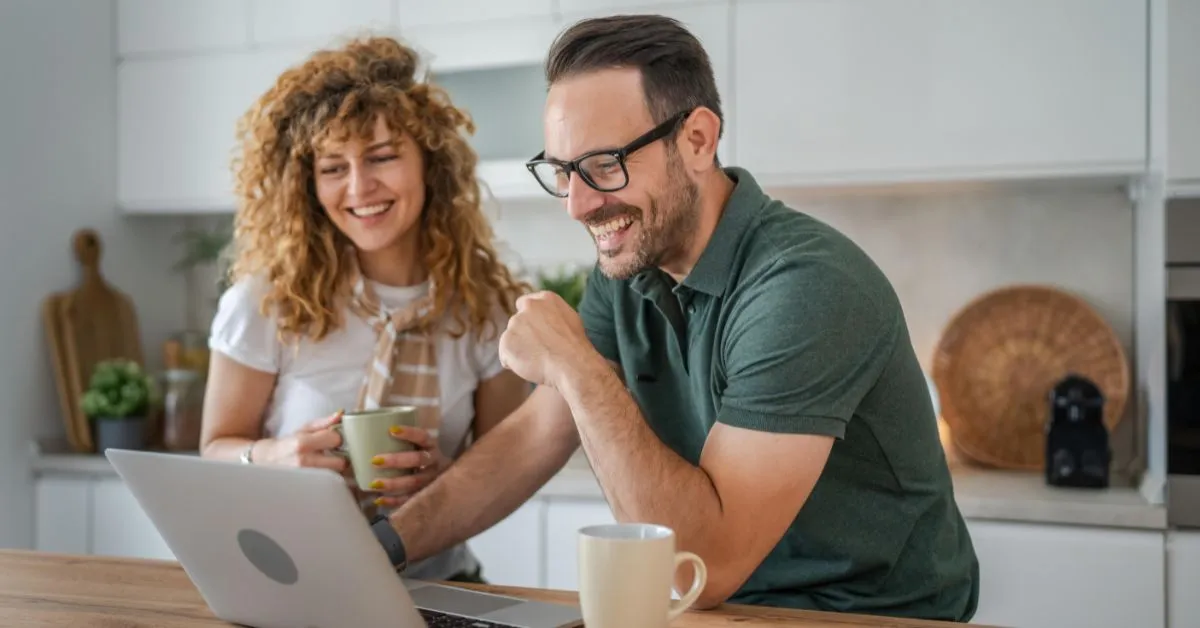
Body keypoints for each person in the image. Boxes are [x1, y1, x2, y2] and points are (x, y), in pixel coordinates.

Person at [376, 14, 980, 621]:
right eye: (562, 173)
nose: (578, 205)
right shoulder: (631, 266)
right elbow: (536, 436)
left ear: (697, 139)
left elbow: (705, 564)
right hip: (721, 609)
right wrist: (382, 548)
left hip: (870, 616)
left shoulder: (805, 286)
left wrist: (576, 366)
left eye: (604, 165)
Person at [197, 35, 531, 583]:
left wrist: (444, 484)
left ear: (431, 163)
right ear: (307, 185)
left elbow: (509, 466)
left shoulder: (488, 311)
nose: (359, 188)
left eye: (381, 157)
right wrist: (276, 457)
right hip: (293, 583)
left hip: (441, 585)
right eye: (332, 168)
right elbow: (214, 450)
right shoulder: (265, 304)